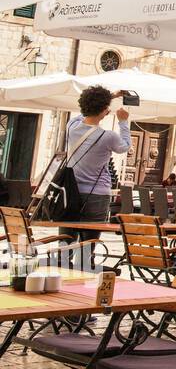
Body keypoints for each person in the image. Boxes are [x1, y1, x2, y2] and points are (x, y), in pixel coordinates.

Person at [61, 86, 132, 248]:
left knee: (65, 242)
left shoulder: (71, 127)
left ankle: (63, 267)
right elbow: (125, 146)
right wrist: (123, 122)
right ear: (105, 111)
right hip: (97, 195)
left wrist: (108, 98)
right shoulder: (108, 137)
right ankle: (85, 268)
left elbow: (83, 114)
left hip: (70, 192)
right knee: (88, 246)